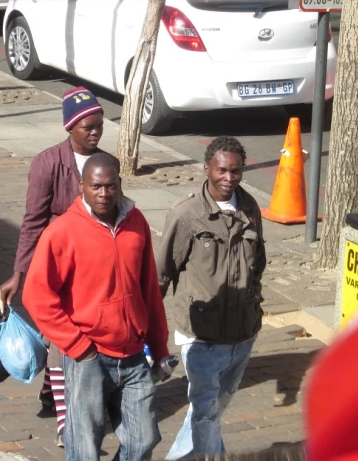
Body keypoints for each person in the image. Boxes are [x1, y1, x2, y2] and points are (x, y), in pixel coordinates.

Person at [23, 153, 171, 461]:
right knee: (84, 449)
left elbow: (148, 291)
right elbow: (37, 296)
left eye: (111, 186)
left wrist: (159, 348)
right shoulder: (62, 231)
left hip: (132, 354)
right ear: (82, 187)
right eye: (96, 187)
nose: (104, 193)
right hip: (87, 358)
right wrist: (77, 345)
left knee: (144, 439)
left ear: (120, 184)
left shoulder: (136, 222)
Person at [0, 86, 104, 446]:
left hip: (91, 264)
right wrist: (20, 273)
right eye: (87, 127)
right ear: (70, 128)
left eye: (99, 126)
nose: (94, 133)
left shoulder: (103, 163)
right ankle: (66, 421)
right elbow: (32, 222)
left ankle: (51, 391)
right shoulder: (47, 164)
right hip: (54, 262)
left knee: (71, 334)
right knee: (62, 337)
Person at [157, 136, 266, 460]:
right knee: (204, 411)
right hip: (201, 335)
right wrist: (147, 332)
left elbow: (257, 263)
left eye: (235, 171)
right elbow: (162, 274)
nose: (228, 178)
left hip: (243, 334)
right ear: (207, 169)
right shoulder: (187, 214)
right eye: (221, 170)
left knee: (214, 411)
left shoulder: (250, 209)